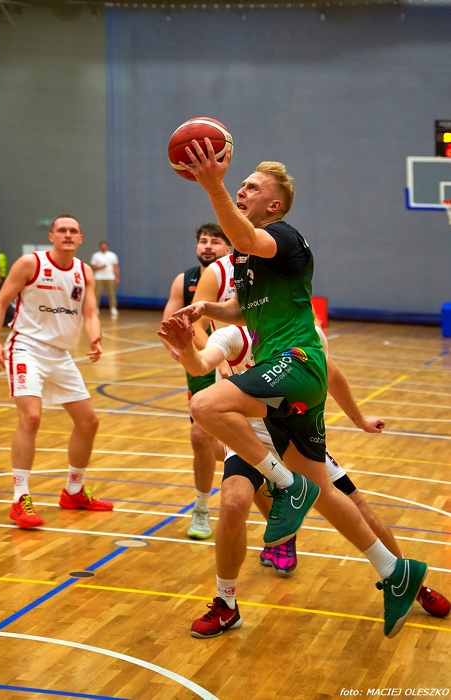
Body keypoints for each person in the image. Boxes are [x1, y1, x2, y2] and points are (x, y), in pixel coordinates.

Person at [172, 144, 428, 639]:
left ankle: (286, 485)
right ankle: (395, 572)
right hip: (288, 386)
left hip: (298, 362)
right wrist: (205, 311)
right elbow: (240, 309)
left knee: (204, 404)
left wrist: (212, 183)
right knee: (327, 494)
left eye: (251, 186)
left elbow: (242, 234)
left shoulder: (284, 237)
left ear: (274, 205)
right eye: (239, 184)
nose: (241, 188)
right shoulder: (248, 263)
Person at [158, 318, 450, 637]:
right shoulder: (234, 335)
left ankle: (409, 584)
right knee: (232, 506)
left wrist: (359, 419)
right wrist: (186, 348)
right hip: (250, 438)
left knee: (356, 506)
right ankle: (226, 604)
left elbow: (332, 373)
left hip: (296, 436)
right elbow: (200, 365)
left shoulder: (302, 331)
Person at [0, 215, 113, 529]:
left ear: (80, 238)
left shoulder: (84, 271)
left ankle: (74, 491)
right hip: (26, 348)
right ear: (52, 236)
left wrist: (95, 337)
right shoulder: (30, 264)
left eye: (73, 231)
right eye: (62, 230)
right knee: (31, 417)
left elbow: (90, 314)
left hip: (60, 355)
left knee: (88, 421)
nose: (68, 235)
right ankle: (20, 499)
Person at [160, 223, 231, 539]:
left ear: (229, 248)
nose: (207, 246)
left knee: (242, 440)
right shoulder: (184, 279)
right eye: (203, 241)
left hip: (242, 360)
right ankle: (201, 509)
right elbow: (169, 322)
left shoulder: (239, 277)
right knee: (200, 437)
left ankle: (261, 468)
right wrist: (174, 345)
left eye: (215, 241)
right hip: (203, 365)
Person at [90, 241, 120, 318]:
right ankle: (96, 308)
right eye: (102, 246)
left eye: (105, 246)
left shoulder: (112, 255)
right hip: (99, 278)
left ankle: (113, 309)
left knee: (112, 294)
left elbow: (116, 267)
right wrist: (100, 267)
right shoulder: (96, 255)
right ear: (100, 247)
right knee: (96, 294)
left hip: (110, 277)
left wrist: (117, 277)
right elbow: (92, 266)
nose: (103, 247)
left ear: (107, 247)